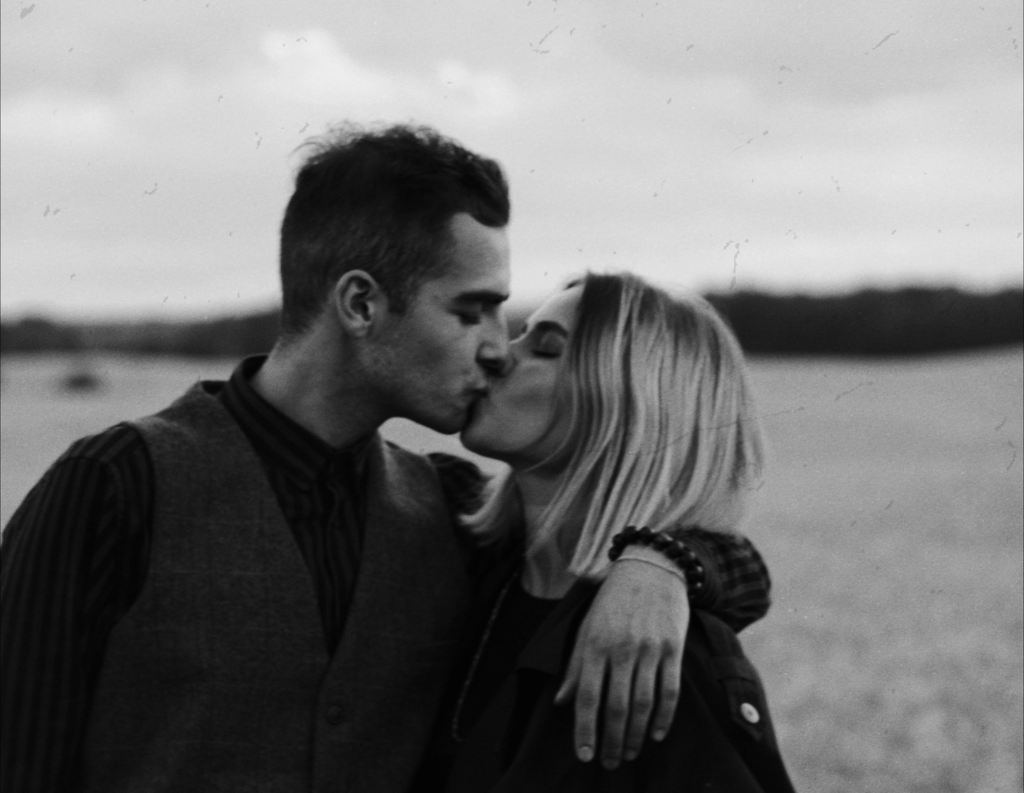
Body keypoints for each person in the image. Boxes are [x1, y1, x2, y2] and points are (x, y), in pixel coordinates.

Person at [0, 125, 772, 793]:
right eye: (471, 309)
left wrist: (661, 564)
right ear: (361, 304)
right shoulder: (117, 484)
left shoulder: (448, 507)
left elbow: (727, 567)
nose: (495, 346)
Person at [417, 272, 796, 792]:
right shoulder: (453, 538)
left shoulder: (655, 656)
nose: (498, 352)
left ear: (628, 407)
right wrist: (663, 559)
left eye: (545, 348)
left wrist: (662, 562)